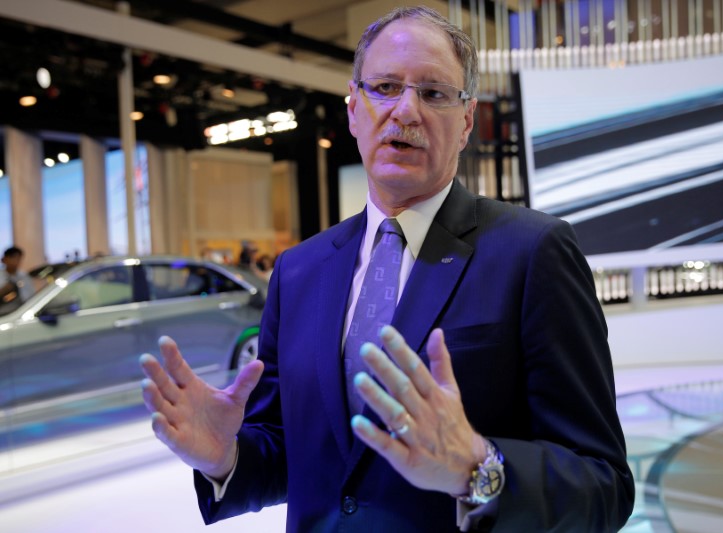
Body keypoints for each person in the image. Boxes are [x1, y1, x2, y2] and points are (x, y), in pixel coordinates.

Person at [140, 6, 634, 532]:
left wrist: (477, 467)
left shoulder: (533, 253)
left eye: (434, 92)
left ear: (466, 121)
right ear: (354, 110)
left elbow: (602, 484)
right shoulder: (298, 271)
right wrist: (224, 458)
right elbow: (298, 457)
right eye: (385, 87)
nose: (406, 111)